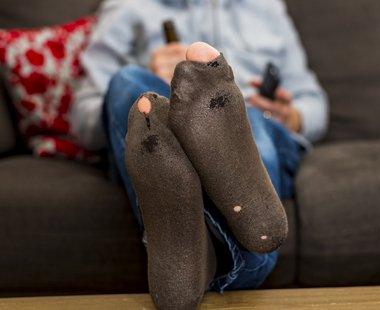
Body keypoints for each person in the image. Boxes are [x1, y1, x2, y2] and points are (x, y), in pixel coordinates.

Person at [72, 0, 328, 307]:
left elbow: (314, 102)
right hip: (161, 126)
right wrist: (154, 75)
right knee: (129, 82)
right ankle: (221, 255)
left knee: (246, 118)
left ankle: (194, 257)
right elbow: (83, 117)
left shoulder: (265, 7)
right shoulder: (128, 6)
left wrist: (290, 115)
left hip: (258, 120)